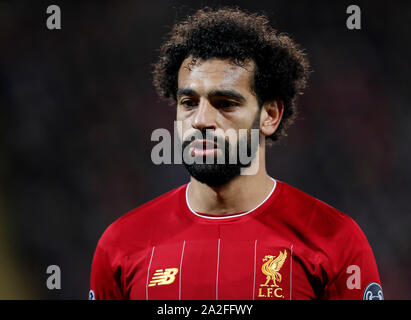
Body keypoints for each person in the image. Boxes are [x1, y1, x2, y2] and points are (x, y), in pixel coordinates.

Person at [89, 7, 383, 300]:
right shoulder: (121, 245)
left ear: (270, 115)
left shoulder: (335, 240)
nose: (201, 119)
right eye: (189, 102)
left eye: (226, 103)